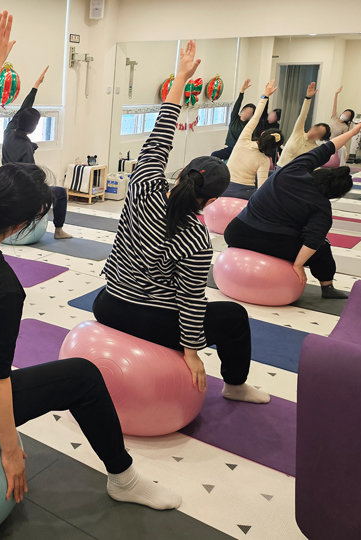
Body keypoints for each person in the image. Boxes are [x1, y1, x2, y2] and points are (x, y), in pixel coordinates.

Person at [0, 12, 181, 511]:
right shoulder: (0, 287)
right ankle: (124, 479)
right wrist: (11, 450)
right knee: (83, 376)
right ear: (22, 224)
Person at [93, 41, 269, 406]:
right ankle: (235, 386)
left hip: (107, 303)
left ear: (182, 173)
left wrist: (181, 79)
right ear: (213, 200)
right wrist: (191, 352)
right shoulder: (196, 237)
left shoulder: (142, 186)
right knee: (234, 316)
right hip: (150, 319)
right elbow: (190, 300)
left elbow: (160, 136)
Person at [224, 120, 361, 300]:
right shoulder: (322, 208)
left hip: (236, 234)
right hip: (274, 243)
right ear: (336, 193)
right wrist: (298, 265)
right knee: (323, 246)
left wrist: (353, 132)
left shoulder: (294, 169)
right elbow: (313, 241)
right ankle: (327, 287)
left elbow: (328, 148)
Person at [1, 66, 72, 239]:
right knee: (60, 193)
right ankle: (59, 230)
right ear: (33, 128)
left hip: (5, 184)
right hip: (21, 191)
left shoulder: (8, 131)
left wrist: (36, 85)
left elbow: (24, 108)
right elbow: (30, 179)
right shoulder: (26, 147)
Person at [221, 81, 284, 199]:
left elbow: (256, 118)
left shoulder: (243, 140)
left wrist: (265, 96)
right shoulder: (264, 160)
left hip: (224, 188)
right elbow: (261, 188)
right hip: (245, 194)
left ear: (263, 133)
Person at [276, 82, 331, 168]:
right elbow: (303, 115)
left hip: (294, 172)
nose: (315, 133)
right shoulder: (298, 132)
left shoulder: (314, 148)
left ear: (320, 138)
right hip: (280, 167)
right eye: (316, 129)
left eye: (319, 134)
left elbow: (314, 165)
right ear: (313, 127)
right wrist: (308, 98)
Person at [211, 79, 257, 161]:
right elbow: (237, 105)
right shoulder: (234, 119)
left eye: (249, 113)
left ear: (251, 116)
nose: (246, 113)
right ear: (242, 110)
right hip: (231, 148)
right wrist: (242, 91)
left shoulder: (249, 125)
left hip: (240, 150)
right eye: (245, 110)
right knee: (214, 155)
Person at [330, 86, 355, 166]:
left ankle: (342, 167)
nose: (345, 115)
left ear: (349, 119)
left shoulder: (345, 127)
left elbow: (344, 141)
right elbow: (334, 106)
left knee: (343, 148)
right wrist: (336, 94)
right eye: (345, 113)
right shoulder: (334, 117)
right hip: (326, 141)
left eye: (347, 115)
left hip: (334, 144)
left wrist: (346, 153)